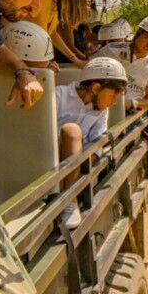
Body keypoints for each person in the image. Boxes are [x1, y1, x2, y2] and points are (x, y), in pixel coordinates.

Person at [56, 57, 127, 228]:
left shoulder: (101, 110)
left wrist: (83, 163)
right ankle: (70, 201)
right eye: (113, 95)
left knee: (83, 140)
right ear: (96, 88)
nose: (114, 102)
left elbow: (97, 141)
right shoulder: (59, 95)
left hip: (75, 165)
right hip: (50, 158)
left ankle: (70, 192)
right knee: (72, 131)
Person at [94, 15, 148, 111]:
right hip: (102, 106)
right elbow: (88, 69)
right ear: (138, 34)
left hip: (130, 113)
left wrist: (132, 103)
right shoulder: (112, 50)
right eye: (146, 38)